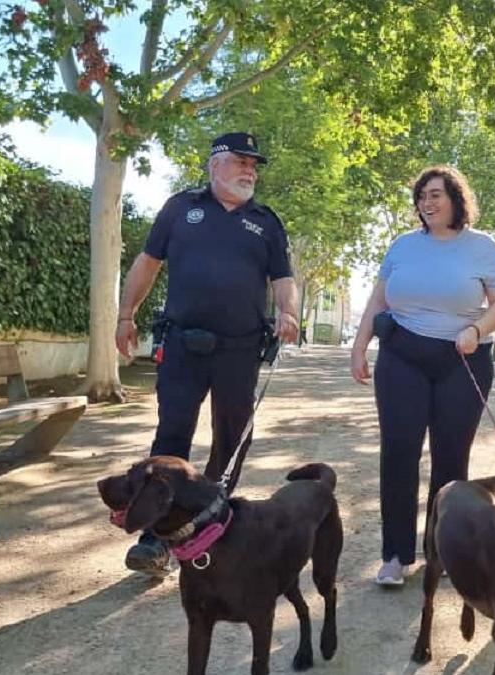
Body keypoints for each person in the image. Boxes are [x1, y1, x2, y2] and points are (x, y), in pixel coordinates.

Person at [114, 131, 300, 577]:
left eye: (254, 165)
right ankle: (154, 538)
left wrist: (288, 312)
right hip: (182, 344)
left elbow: (283, 278)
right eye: (240, 161)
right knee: (171, 437)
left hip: (239, 350)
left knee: (232, 440)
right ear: (215, 165)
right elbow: (148, 262)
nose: (249, 171)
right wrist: (125, 315)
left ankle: (208, 525)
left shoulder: (267, 222)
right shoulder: (180, 209)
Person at [350, 165, 495, 586]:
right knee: (399, 452)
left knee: (451, 459)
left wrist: (476, 331)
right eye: (422, 196)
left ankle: (440, 551)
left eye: (436, 194)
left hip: (462, 359)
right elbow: (377, 299)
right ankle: (395, 555)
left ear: (457, 199)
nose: (427, 202)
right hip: (402, 356)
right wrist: (358, 346)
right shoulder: (403, 245)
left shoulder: (483, 247)